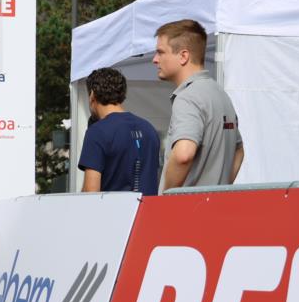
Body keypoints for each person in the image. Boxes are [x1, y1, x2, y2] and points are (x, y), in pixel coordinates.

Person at [153, 19, 244, 192]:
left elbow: (183, 154)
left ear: (183, 56)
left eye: (160, 52)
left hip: (186, 212)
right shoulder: (220, 94)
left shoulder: (188, 97)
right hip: (212, 209)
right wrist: (218, 189)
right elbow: (239, 151)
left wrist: (166, 197)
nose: (155, 60)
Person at [78, 68, 161, 195]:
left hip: (113, 213)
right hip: (148, 212)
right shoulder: (149, 129)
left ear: (92, 95)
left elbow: (91, 192)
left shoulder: (97, 132)